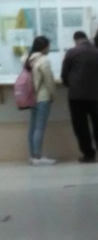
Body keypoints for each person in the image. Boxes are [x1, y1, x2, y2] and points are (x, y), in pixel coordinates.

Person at [61, 30, 98, 163]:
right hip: (95, 95)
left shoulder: (71, 53)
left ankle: (89, 154)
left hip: (76, 96)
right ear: (87, 39)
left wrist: (71, 85)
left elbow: (64, 75)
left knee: (80, 126)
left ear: (76, 40)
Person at [25, 36, 57, 166]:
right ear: (44, 47)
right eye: (48, 46)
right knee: (39, 128)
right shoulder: (43, 61)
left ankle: (33, 155)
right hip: (43, 97)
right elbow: (49, 81)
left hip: (31, 97)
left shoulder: (27, 59)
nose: (49, 48)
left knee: (33, 127)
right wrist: (53, 95)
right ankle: (38, 157)